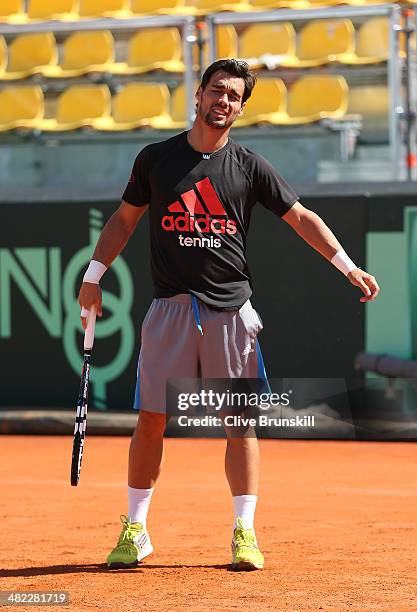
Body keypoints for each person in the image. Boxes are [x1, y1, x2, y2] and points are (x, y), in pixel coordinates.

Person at [78, 59, 380, 572]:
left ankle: (244, 532)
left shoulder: (250, 166)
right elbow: (125, 219)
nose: (224, 100)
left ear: (241, 108)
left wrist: (346, 266)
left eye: (235, 96)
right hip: (170, 310)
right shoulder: (155, 159)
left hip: (230, 315)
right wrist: (93, 275)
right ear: (197, 96)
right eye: (217, 90)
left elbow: (302, 217)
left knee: (239, 425)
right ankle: (135, 529)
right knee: (151, 420)